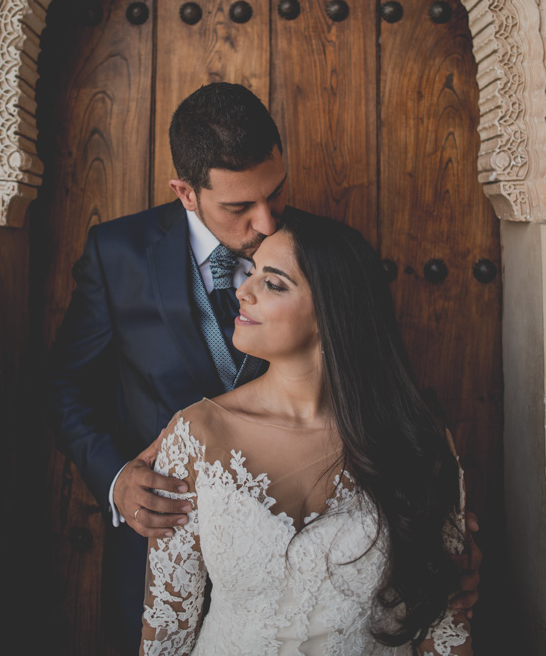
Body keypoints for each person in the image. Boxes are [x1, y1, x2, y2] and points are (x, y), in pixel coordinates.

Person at [46, 83, 479, 655]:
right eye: (239, 207)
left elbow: (376, 384)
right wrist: (116, 478)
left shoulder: (317, 254)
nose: (268, 220)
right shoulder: (117, 252)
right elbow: (66, 386)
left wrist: (437, 549)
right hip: (159, 547)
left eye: (276, 194)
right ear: (187, 192)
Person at [139, 209, 473, 655]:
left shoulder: (415, 438)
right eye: (251, 272)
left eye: (272, 283)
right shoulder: (196, 436)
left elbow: (444, 629)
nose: (242, 291)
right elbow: (167, 633)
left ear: (330, 311)